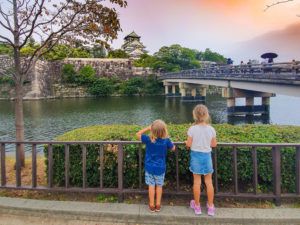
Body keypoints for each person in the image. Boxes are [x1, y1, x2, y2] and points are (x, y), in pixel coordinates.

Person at [136, 120, 175, 213]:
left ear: (152, 130)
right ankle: (158, 205)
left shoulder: (148, 139)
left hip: (149, 167)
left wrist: (148, 128)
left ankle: (151, 205)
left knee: (151, 186)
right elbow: (173, 148)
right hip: (160, 168)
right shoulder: (166, 141)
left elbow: (137, 134)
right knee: (159, 186)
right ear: (164, 130)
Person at [185, 104, 217, 216]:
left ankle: (197, 206)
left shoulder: (192, 129)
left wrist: (186, 143)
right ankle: (211, 206)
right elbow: (214, 144)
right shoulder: (211, 129)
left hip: (196, 157)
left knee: (197, 182)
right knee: (209, 182)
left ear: (195, 115)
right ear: (206, 114)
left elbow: (188, 144)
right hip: (207, 156)